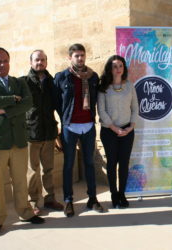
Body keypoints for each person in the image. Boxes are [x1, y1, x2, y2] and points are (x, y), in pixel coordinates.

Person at [0, 47, 45, 237]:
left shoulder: (18, 82)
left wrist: (6, 109)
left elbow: (28, 102)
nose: (3, 64)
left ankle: (25, 213)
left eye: (6, 60)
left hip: (18, 140)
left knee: (20, 181)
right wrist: (13, 99)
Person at [53, 43, 104, 217]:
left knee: (89, 163)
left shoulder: (93, 76)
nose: (80, 58)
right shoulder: (62, 77)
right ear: (70, 58)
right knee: (68, 165)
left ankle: (92, 199)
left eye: (82, 55)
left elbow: (98, 97)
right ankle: (68, 200)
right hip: (70, 127)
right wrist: (64, 120)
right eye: (76, 55)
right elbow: (56, 103)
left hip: (88, 125)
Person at [19, 50, 64, 215]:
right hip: (31, 133)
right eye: (37, 60)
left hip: (49, 133)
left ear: (46, 62)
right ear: (31, 62)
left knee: (49, 169)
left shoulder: (52, 82)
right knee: (32, 170)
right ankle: (32, 202)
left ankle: (50, 198)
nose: (40, 63)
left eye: (43, 60)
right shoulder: (23, 82)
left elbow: (59, 105)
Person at [98, 55, 138, 208]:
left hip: (127, 131)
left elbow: (135, 108)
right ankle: (114, 194)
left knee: (124, 163)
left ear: (124, 68)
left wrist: (130, 127)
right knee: (112, 163)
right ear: (110, 69)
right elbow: (101, 111)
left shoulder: (129, 86)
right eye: (114, 66)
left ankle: (122, 194)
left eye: (120, 66)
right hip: (109, 132)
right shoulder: (104, 87)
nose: (118, 69)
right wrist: (115, 129)